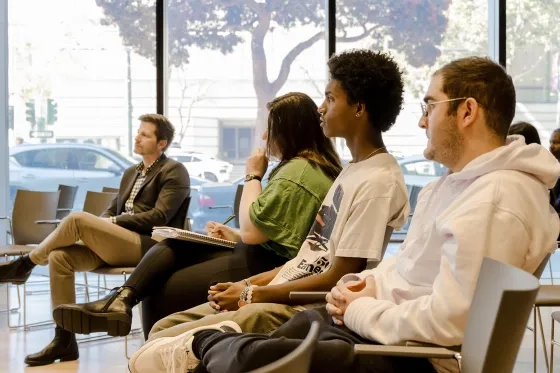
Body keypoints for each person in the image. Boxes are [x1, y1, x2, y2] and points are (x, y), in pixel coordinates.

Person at [135, 56, 560, 373]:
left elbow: (449, 322)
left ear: (466, 111)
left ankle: (206, 346)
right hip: (382, 330)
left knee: (259, 352)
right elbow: (408, 271)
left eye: (430, 106)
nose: (421, 120)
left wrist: (355, 308)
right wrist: (364, 285)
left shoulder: (495, 200)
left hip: (412, 354)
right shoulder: (454, 187)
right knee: (281, 339)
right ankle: (212, 345)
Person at [127, 49, 412, 373]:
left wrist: (253, 293)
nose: (321, 107)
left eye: (330, 99)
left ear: (359, 107)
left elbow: (337, 277)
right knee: (161, 330)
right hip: (279, 290)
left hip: (301, 307)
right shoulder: (352, 170)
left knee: (156, 348)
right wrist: (248, 286)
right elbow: (304, 259)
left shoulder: (378, 181)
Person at [53, 92, 343, 339]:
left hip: (269, 263)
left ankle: (149, 350)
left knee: (161, 286)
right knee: (173, 244)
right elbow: (281, 231)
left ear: (289, 132)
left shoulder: (297, 172)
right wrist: (236, 234)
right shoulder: (308, 167)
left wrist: (253, 175)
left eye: (271, 129)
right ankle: (120, 301)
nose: (266, 137)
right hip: (262, 254)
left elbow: (256, 233)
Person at [0, 114, 190, 366]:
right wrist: (103, 226)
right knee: (59, 257)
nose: (138, 137)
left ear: (161, 143)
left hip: (148, 246)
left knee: (77, 219)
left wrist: (109, 224)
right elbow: (111, 210)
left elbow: (159, 216)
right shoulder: (131, 172)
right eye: (138, 132)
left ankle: (26, 264)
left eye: (145, 134)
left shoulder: (174, 171)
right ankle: (64, 340)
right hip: (120, 242)